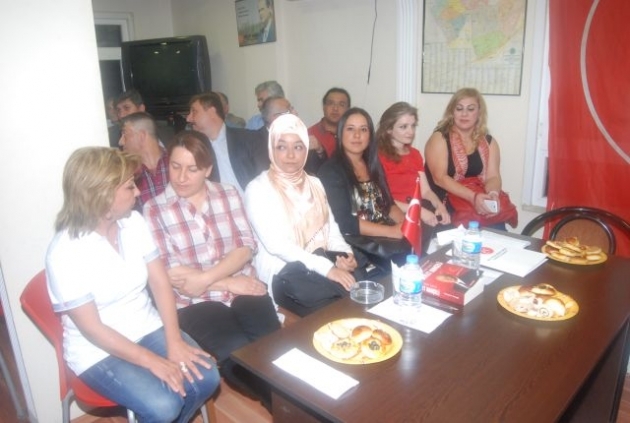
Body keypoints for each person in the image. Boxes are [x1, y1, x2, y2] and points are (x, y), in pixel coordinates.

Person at [46, 147, 219, 422]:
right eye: (129, 187)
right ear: (102, 195)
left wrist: (173, 340)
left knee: (207, 377)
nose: (138, 192)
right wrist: (153, 361)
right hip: (97, 350)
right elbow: (93, 329)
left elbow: (160, 282)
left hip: (146, 326)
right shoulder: (64, 252)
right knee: (163, 405)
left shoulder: (133, 223)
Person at [143, 130, 280, 401]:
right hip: (194, 302)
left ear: (207, 169)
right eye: (175, 166)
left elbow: (246, 246)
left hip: (245, 286)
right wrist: (228, 282)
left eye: (192, 169)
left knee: (273, 346)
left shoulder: (228, 194)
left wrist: (209, 279)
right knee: (237, 354)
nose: (181, 177)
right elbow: (171, 273)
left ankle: (292, 404)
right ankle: (283, 406)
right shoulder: (154, 209)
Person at [245, 114, 358, 316]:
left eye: (298, 147)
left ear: (306, 149)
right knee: (339, 308)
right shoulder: (258, 189)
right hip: (285, 273)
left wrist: (344, 254)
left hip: (321, 262)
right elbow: (277, 246)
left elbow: (330, 228)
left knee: (365, 289)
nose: (290, 155)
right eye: (282, 147)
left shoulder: (315, 183)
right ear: (271, 148)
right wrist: (327, 269)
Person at [424, 87, 516, 230]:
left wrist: (492, 194)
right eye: (459, 109)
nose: (464, 114)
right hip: (444, 205)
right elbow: (439, 178)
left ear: (479, 112)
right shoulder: (439, 138)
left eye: (470, 109)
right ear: (452, 112)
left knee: (497, 231)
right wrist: (473, 197)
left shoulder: (489, 142)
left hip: (476, 200)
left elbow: (493, 177)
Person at [377, 102, 451, 250]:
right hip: (394, 212)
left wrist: (439, 205)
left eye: (413, 126)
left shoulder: (415, 154)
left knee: (448, 230)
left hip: (417, 208)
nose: (410, 131)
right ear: (389, 129)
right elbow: (381, 199)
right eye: (403, 127)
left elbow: (426, 191)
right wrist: (419, 211)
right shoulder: (379, 157)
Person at [186, 92, 269, 194]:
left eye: (194, 112)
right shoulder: (194, 149)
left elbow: (267, 179)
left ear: (212, 112)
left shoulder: (248, 139)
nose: (188, 118)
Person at [119, 112, 169, 208]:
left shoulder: (178, 163)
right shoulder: (126, 173)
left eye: (124, 134)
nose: (120, 142)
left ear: (141, 136)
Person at [308, 87, 351, 159]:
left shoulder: (353, 136)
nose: (335, 108)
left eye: (341, 105)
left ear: (348, 110)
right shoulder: (310, 135)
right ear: (324, 107)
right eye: (331, 103)